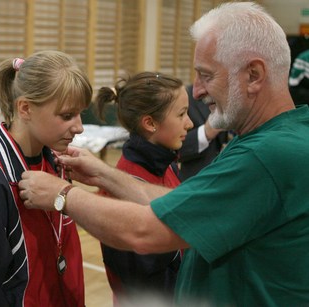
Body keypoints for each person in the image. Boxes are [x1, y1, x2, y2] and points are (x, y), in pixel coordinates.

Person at [18, 2, 309, 306]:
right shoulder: (272, 139)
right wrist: (104, 174)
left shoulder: (267, 156)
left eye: (206, 76)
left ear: (254, 75)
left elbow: (146, 230)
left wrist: (63, 195)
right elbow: (181, 208)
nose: (197, 91)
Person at [0, 50, 93, 307]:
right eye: (67, 115)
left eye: (80, 114)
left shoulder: (56, 163)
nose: (79, 127)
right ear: (25, 108)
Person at [94, 72, 192, 305]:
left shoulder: (167, 164)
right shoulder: (122, 191)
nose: (190, 123)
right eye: (181, 114)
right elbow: (145, 287)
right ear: (150, 123)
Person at [178, 85, 229, 181]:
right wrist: (205, 133)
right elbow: (172, 149)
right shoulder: (189, 96)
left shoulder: (240, 97)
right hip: (196, 182)